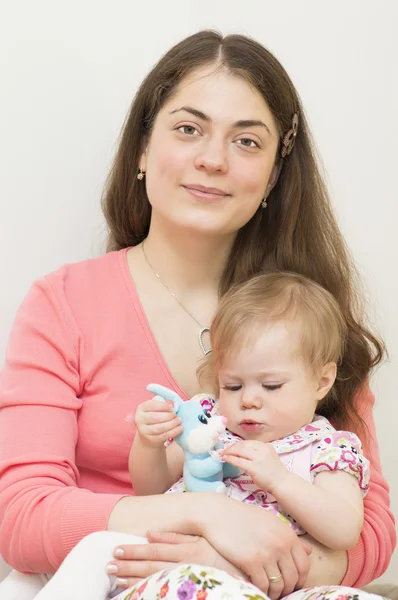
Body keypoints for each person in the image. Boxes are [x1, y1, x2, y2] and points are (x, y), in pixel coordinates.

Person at [0, 29, 394, 600]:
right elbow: (21, 515)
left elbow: (372, 530)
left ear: (274, 176)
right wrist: (205, 520)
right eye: (189, 129)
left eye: (247, 142)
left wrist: (242, 563)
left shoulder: (309, 313)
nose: (212, 160)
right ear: (141, 147)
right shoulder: (64, 304)